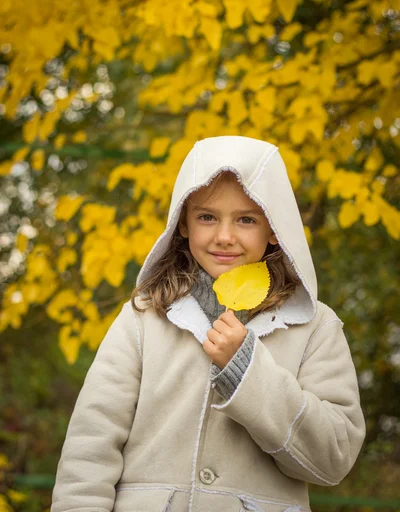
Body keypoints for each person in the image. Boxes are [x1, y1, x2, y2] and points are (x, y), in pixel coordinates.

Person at [50, 135, 366, 512]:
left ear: (274, 230)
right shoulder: (143, 318)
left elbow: (333, 458)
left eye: (246, 219)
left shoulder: (314, 328)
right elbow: (90, 449)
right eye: (207, 217)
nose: (224, 236)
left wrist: (248, 371)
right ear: (183, 223)